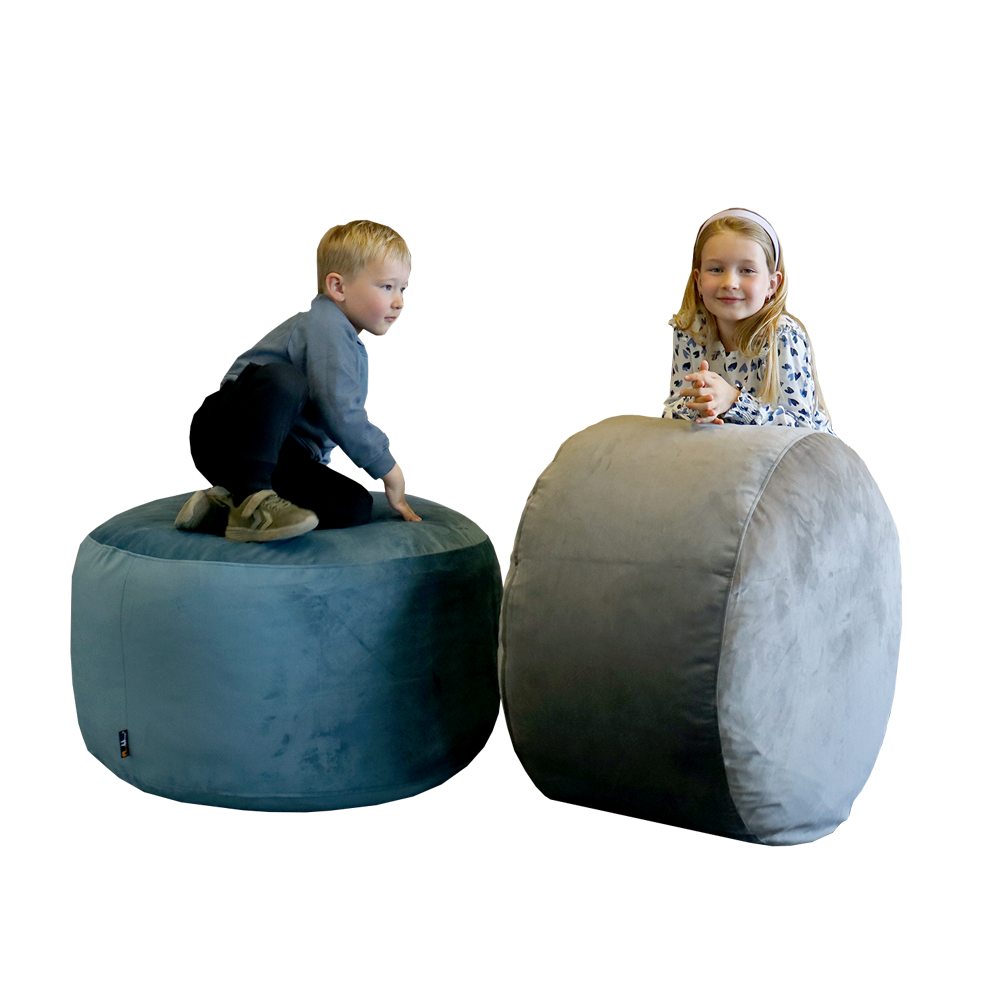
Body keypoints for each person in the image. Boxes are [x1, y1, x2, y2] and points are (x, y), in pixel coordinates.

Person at [175, 220, 422, 542]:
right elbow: (341, 413)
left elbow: (332, 428)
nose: (399, 301)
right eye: (387, 287)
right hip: (229, 434)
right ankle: (251, 496)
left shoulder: (350, 345)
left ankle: (222, 508)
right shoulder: (326, 325)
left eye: (403, 289)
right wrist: (386, 467)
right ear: (338, 287)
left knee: (354, 505)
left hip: (281, 455)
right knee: (284, 379)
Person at [661, 209, 835, 435]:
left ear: (772, 285)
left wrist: (733, 401)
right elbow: (671, 413)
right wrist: (700, 404)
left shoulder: (783, 335)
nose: (730, 282)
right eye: (716, 269)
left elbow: (803, 431)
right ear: (699, 281)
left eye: (747, 270)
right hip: (729, 452)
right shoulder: (690, 331)